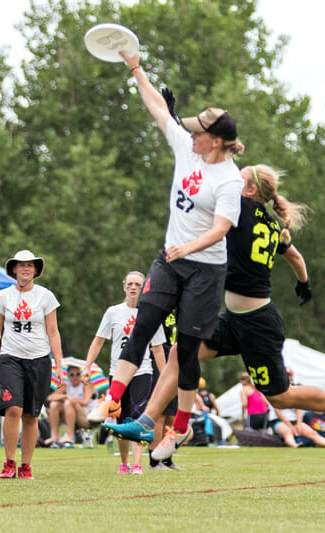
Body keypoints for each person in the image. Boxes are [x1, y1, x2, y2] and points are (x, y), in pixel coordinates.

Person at [107, 164, 325, 460]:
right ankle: (147, 422)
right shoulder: (272, 224)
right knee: (179, 352)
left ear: (249, 190)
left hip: (258, 325)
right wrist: (304, 284)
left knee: (281, 396)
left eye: (239, 178)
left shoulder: (238, 208)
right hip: (232, 319)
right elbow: (296, 256)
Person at [88, 50, 246, 462]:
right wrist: (135, 68)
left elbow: (221, 229)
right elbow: (159, 108)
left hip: (206, 271)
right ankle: (112, 401)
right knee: (141, 329)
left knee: (186, 351)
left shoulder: (228, 179)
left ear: (215, 141)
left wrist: (187, 248)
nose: (188, 133)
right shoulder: (186, 148)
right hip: (171, 262)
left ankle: (179, 430)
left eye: (197, 131)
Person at [84, 271, 165, 475]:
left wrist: (165, 375)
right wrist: (87, 365)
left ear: (143, 287)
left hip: (142, 371)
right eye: (130, 284)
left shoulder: (151, 313)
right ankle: (124, 463)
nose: (133, 287)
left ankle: (137, 464)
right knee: (121, 419)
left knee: (138, 418)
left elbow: (157, 348)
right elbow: (99, 340)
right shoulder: (113, 312)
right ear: (124, 287)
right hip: (118, 373)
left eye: (138, 284)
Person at [0, 250, 63, 479]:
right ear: (13, 269)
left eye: (30, 265)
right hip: (10, 357)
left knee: (31, 415)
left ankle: (26, 466)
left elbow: (53, 332)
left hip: (39, 359)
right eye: (21, 265)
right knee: (13, 408)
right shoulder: (3, 296)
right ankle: (9, 462)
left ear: (35, 270)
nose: (25, 269)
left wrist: (59, 365)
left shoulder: (45, 296)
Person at [45, 365, 95, 448]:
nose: (75, 376)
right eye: (72, 374)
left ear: (81, 375)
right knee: (54, 404)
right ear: (68, 376)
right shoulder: (66, 386)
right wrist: (65, 396)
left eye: (77, 374)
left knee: (68, 403)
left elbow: (85, 402)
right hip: (70, 417)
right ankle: (55, 436)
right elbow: (50, 398)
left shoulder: (86, 384)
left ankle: (70, 436)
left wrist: (71, 399)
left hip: (86, 417)